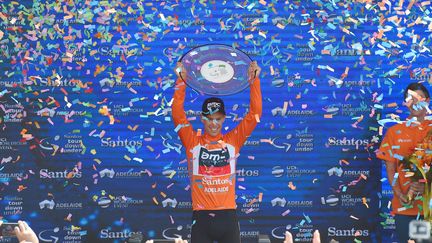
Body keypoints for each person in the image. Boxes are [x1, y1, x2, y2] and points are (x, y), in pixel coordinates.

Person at [172, 60, 262, 243]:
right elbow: (177, 114)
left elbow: (254, 114)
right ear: (202, 119)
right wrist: (181, 80)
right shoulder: (191, 141)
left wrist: (254, 81)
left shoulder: (233, 140)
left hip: (228, 217)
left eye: (218, 119)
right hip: (201, 218)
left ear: (224, 119)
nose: (214, 123)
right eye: (209, 119)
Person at [377, 82, 432, 242]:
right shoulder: (394, 132)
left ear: (427, 101)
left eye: (419, 98)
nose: (415, 103)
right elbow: (391, 169)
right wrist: (399, 193)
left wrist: (426, 185)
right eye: (410, 98)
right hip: (405, 210)